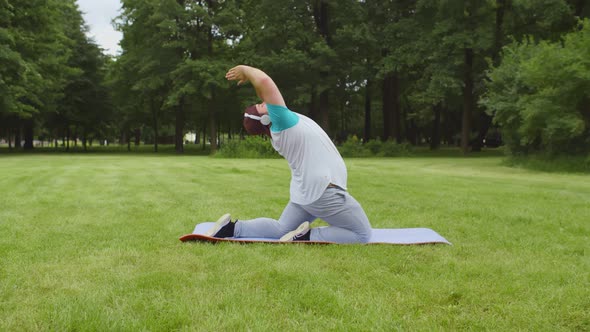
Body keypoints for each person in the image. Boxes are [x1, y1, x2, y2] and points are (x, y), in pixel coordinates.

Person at [207, 65, 372, 243]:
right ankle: (306, 236)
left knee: (282, 228)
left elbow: (262, 89)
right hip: (323, 191)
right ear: (265, 119)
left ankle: (230, 228)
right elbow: (264, 82)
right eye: (260, 107)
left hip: (307, 191)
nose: (262, 102)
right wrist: (245, 70)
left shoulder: (281, 125)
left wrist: (251, 79)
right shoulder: (282, 122)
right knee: (361, 234)